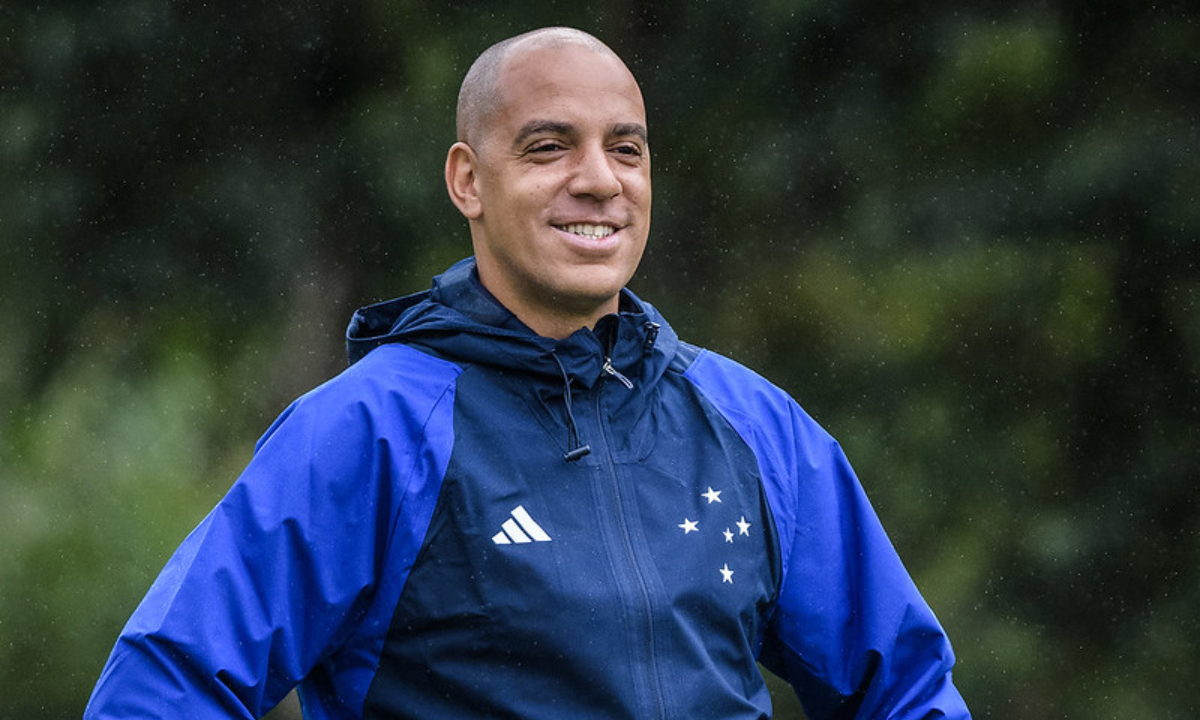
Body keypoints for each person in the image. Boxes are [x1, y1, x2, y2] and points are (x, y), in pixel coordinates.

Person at [85, 27, 971, 720]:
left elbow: (905, 688)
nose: (599, 181)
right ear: (468, 180)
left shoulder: (754, 426)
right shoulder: (368, 433)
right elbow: (166, 686)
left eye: (626, 150)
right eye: (550, 148)